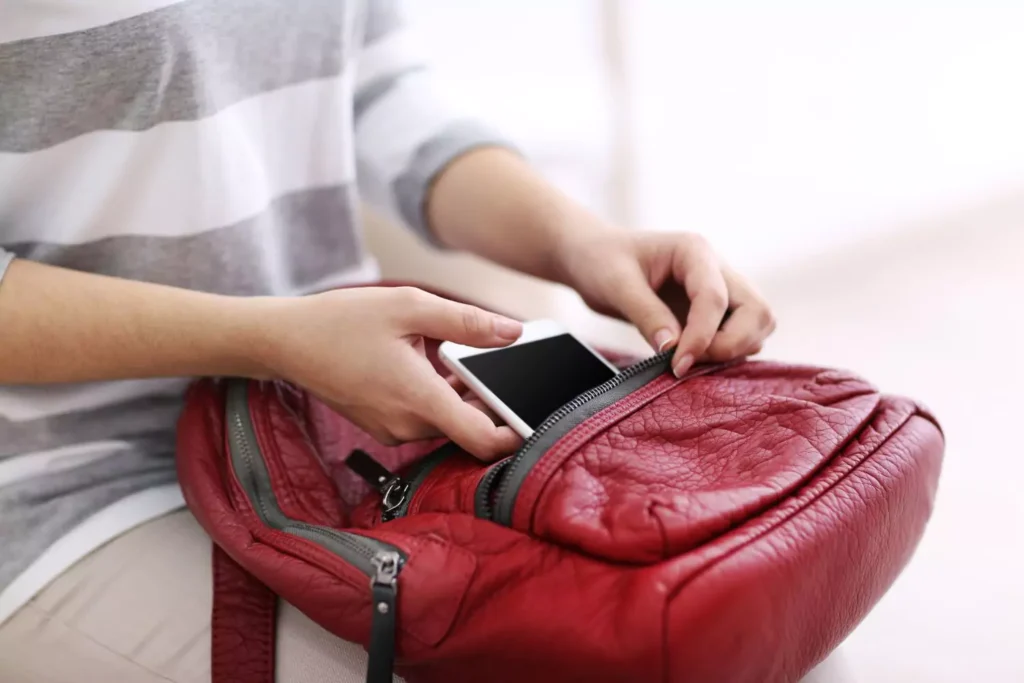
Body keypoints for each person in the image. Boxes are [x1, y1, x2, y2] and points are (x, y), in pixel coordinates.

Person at [0, 1, 775, 681]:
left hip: (322, 419)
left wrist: (578, 242)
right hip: (63, 482)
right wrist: (272, 341)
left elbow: (372, 83)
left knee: (743, 622)